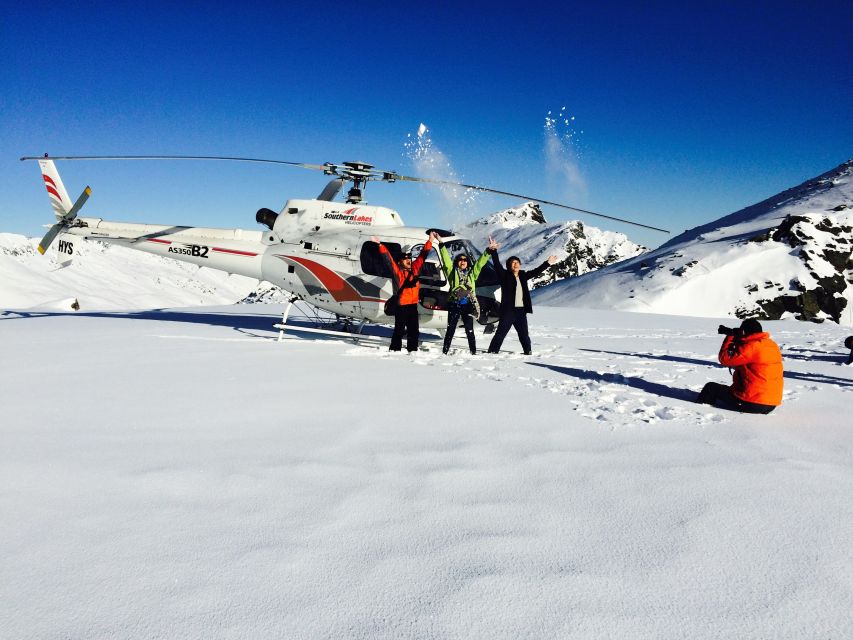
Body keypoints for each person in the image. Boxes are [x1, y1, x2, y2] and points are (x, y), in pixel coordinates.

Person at [430, 231, 498, 354]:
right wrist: (441, 243)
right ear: (457, 262)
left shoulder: (472, 273)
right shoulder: (452, 272)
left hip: (468, 305)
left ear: (467, 263)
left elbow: (480, 263)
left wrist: (489, 251)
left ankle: (473, 352)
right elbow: (445, 259)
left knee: (469, 330)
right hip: (454, 304)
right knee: (450, 329)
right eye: (460, 260)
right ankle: (445, 351)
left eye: (465, 260)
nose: (463, 261)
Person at [697, 319, 783, 414]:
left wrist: (730, 337)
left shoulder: (751, 347)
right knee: (730, 390)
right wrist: (740, 340)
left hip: (752, 403)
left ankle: (699, 411)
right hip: (771, 403)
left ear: (743, 331)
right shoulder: (772, 345)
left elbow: (725, 359)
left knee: (711, 388)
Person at [486, 249, 558, 355]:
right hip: (508, 311)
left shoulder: (523, 275)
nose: (515, 264)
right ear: (509, 266)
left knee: (524, 334)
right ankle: (492, 352)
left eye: (517, 262)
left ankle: (527, 352)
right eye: (512, 263)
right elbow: (496, 264)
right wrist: (493, 251)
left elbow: (536, 271)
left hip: (521, 311)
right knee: (501, 333)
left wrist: (547, 263)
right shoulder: (504, 276)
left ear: (520, 264)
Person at [372, 233, 433, 352]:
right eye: (405, 259)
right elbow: (388, 259)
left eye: (409, 258)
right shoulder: (397, 273)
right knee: (399, 330)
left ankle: (413, 350)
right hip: (401, 306)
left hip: (413, 305)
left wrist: (430, 240)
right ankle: (395, 349)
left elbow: (423, 255)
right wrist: (380, 245)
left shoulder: (415, 269)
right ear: (400, 262)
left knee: (414, 330)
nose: (408, 260)